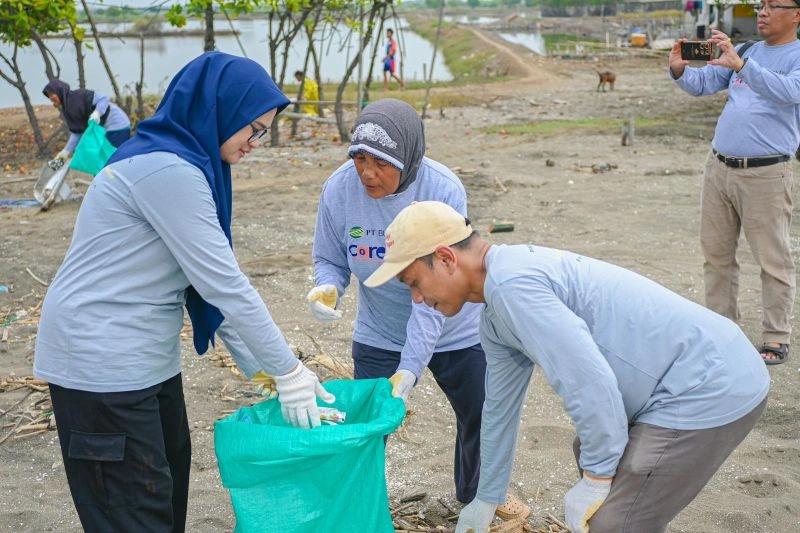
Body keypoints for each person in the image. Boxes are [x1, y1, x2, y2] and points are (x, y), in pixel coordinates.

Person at [34, 52, 334, 532]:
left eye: (265, 131)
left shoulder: (189, 165)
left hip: (144, 360)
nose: (257, 142)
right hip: (100, 362)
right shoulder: (165, 168)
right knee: (133, 514)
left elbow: (209, 287)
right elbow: (225, 284)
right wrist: (289, 370)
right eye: (252, 128)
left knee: (165, 497)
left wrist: (270, 376)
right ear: (220, 112)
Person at [365, 201, 770, 533]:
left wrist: (595, 479)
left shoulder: (513, 286)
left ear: (446, 257)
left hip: (709, 382)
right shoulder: (493, 311)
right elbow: (499, 410)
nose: (416, 300)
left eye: (414, 282)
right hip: (683, 376)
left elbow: (587, 382)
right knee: (594, 455)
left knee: (611, 521)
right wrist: (486, 498)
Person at [307, 99, 527, 520]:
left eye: (381, 162)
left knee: (480, 413)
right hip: (379, 331)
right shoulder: (338, 190)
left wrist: (409, 370)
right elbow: (330, 257)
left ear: (407, 158)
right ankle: (358, 502)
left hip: (452, 323)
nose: (367, 172)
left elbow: (433, 294)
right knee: (368, 425)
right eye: (359, 158)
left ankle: (481, 493)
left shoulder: (441, 189)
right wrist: (327, 287)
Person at [669, 4, 800, 365]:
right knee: (717, 257)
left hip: (767, 173)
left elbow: (788, 91)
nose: (763, 11)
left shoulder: (792, 57)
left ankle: (776, 337)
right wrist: (679, 69)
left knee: (773, 260)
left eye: (775, 6)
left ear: (797, 15)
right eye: (761, 5)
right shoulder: (745, 50)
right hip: (720, 168)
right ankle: (722, 331)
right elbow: (704, 84)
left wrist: (742, 65)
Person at [43, 80, 131, 165]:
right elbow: (77, 132)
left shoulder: (81, 95)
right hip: (105, 129)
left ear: (60, 91)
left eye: (52, 94)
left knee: (113, 161)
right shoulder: (68, 109)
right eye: (48, 96)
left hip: (117, 124)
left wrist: (97, 113)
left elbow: (104, 98)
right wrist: (65, 152)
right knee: (100, 162)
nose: (50, 98)